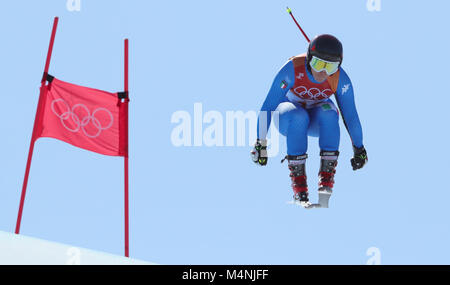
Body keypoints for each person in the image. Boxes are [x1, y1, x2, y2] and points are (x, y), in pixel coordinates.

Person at [251, 34, 367, 208]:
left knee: (329, 113)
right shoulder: (293, 69)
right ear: (309, 59)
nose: (322, 73)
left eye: (331, 67)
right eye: (318, 64)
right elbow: (268, 105)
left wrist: (359, 147)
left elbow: (350, 115)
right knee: (299, 117)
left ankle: (326, 179)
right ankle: (299, 185)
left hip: (316, 118)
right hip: (288, 115)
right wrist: (260, 142)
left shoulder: (339, 79)